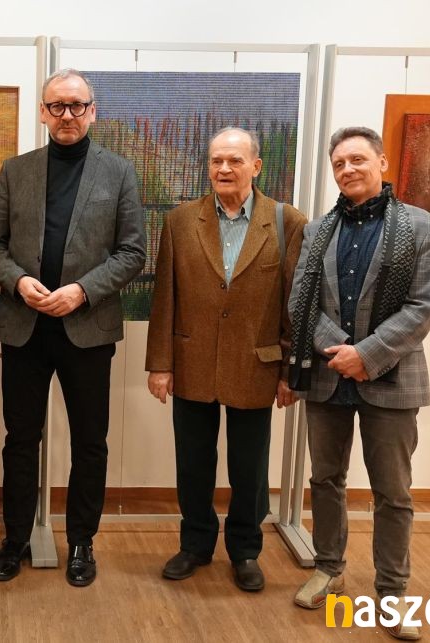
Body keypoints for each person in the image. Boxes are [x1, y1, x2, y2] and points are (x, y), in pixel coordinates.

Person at [0, 68, 146, 587]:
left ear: (93, 111)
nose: (67, 114)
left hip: (87, 328)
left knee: (90, 442)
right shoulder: (16, 171)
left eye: (76, 105)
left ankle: (81, 543)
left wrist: (82, 290)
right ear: (43, 112)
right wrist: (17, 280)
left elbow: (133, 252)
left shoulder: (119, 172)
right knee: (20, 440)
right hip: (25, 327)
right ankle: (15, 539)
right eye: (57, 106)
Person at [289, 126, 430, 641]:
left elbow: (422, 306)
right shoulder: (318, 231)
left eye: (357, 159)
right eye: (339, 163)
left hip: (392, 378)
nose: (348, 169)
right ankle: (328, 568)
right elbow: (300, 302)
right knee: (325, 480)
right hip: (329, 376)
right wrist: (340, 351)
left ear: (381, 163)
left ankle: (392, 592)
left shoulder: (422, 227)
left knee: (393, 492)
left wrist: (367, 354)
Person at [145, 127, 306, 592]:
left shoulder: (288, 222)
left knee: (249, 468)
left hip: (257, 364)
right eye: (216, 160)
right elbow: (165, 297)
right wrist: (160, 363)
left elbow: (296, 303)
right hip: (192, 359)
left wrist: (289, 372)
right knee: (193, 462)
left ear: (256, 166)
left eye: (234, 160)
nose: (224, 168)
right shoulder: (180, 221)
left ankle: (245, 550)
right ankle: (195, 544)